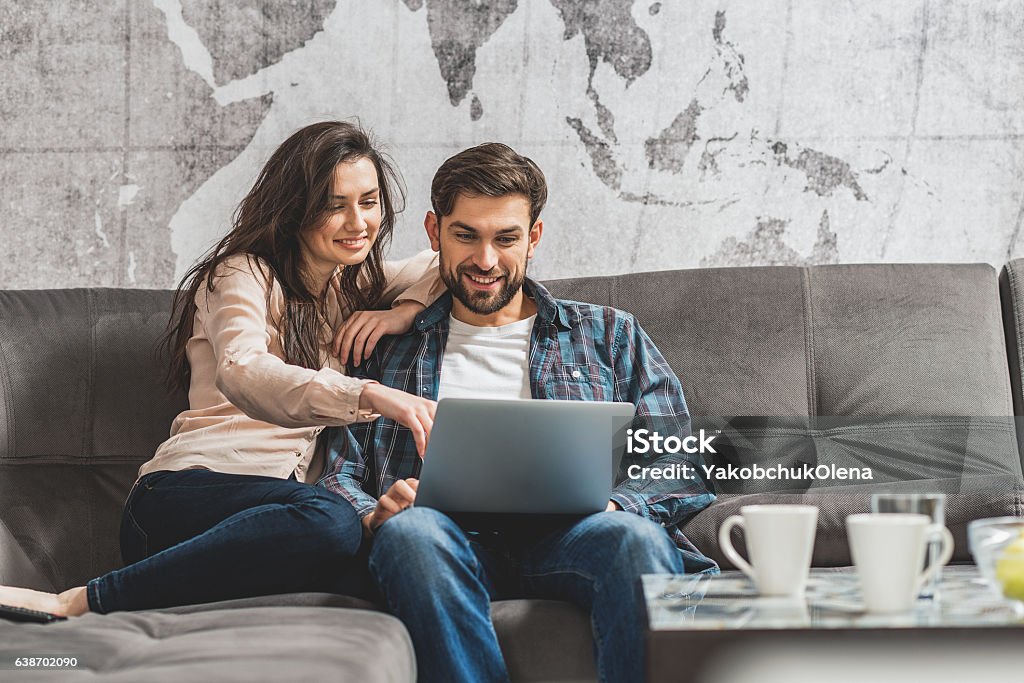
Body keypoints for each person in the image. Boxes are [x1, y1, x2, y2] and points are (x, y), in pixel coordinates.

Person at [0, 121, 441, 617]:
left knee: (376, 556)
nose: (358, 222)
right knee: (331, 518)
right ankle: (79, 601)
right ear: (295, 208)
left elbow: (447, 263)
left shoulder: (353, 289)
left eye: (369, 201)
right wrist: (370, 395)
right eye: (333, 205)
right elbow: (244, 370)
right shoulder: (241, 274)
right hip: (179, 499)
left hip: (268, 527)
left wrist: (400, 312)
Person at [320, 142, 716, 683]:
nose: (485, 261)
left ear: (533, 237)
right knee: (411, 535)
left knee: (635, 539)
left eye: (506, 239)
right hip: (444, 543)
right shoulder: (385, 350)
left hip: (575, 537)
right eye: (466, 236)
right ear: (435, 232)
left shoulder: (609, 333)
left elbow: (680, 462)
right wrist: (373, 515)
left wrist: (613, 502)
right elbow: (338, 474)